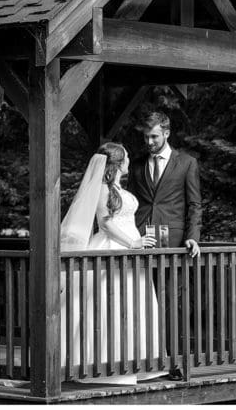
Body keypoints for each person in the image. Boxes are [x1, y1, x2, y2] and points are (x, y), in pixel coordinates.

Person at [58, 142, 164, 384]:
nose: (129, 159)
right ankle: (102, 363)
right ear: (116, 163)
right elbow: (106, 224)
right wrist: (132, 243)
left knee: (133, 303)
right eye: (126, 156)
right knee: (109, 304)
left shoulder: (117, 188)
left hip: (129, 249)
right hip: (112, 248)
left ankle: (137, 361)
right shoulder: (103, 189)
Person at [126, 112, 202, 257]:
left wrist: (192, 237)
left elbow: (195, 205)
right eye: (146, 137)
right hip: (139, 236)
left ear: (166, 133)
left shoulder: (187, 163)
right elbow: (131, 203)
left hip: (173, 238)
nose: (149, 142)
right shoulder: (136, 165)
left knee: (166, 279)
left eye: (154, 136)